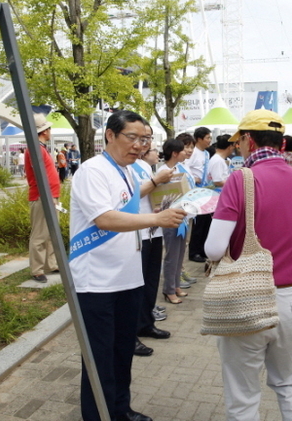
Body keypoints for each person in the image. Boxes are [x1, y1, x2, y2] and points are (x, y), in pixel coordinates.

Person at [69, 110, 186, 421]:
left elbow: (144, 200)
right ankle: (98, 415)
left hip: (128, 278)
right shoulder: (92, 171)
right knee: (100, 357)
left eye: (144, 139)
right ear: (110, 135)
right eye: (131, 138)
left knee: (122, 353)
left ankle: (120, 410)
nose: (138, 145)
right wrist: (156, 219)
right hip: (96, 282)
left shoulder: (130, 171)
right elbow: (104, 218)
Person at [204, 109, 292, 421]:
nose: (238, 147)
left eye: (239, 141)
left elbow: (213, 249)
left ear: (249, 140)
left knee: (243, 395)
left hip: (248, 299)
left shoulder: (240, 180)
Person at [131, 128, 174, 357]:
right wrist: (156, 180)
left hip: (153, 230)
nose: (143, 144)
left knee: (149, 281)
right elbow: (132, 195)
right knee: (135, 285)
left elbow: (150, 195)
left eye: (146, 139)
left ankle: (145, 324)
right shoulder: (125, 166)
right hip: (135, 231)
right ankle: (131, 335)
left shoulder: (146, 166)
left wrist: (159, 204)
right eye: (137, 138)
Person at [158, 136, 196, 304]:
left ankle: (176, 285)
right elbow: (160, 197)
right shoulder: (163, 172)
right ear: (174, 153)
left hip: (183, 216)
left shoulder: (180, 168)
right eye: (182, 150)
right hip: (170, 217)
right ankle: (168, 290)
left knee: (180, 253)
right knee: (172, 255)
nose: (186, 153)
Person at [24, 114, 61, 283]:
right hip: (42, 196)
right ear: (44, 131)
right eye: (49, 128)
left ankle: (51, 264)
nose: (50, 131)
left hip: (47, 195)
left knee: (51, 232)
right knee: (40, 234)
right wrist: (49, 196)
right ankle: (37, 269)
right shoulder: (35, 149)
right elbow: (40, 175)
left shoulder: (39, 148)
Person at [186, 126, 212, 263]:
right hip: (196, 191)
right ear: (199, 139)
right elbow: (185, 168)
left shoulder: (206, 154)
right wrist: (193, 178)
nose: (209, 140)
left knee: (206, 222)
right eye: (207, 137)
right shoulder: (193, 152)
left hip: (206, 190)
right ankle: (194, 252)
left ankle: (202, 250)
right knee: (198, 224)